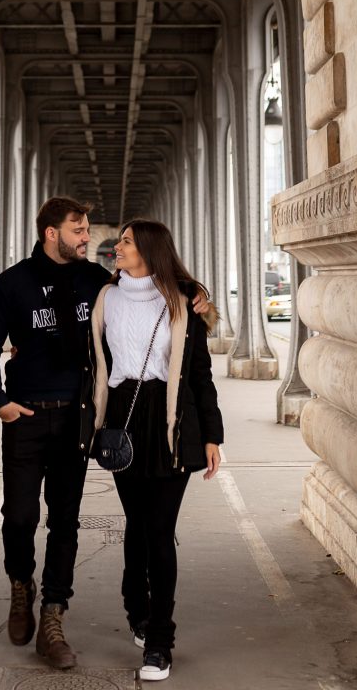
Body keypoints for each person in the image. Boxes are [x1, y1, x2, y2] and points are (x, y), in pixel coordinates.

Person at [0, 196, 109, 670]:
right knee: (19, 515)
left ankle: (53, 614)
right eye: (78, 229)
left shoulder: (95, 280)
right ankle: (20, 584)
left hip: (74, 417)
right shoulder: (13, 284)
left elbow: (146, 293)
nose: (86, 237)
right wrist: (0, 403)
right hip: (27, 418)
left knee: (66, 520)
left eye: (87, 229)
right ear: (51, 233)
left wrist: (194, 292)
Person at [90, 219, 223, 682]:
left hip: (171, 421)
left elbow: (200, 374)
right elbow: (91, 357)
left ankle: (160, 643)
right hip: (122, 415)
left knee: (160, 530)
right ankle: (137, 608)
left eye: (125, 242)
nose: (116, 248)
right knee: (137, 523)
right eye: (119, 241)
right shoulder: (105, 297)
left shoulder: (184, 300)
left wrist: (212, 437)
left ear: (148, 248)